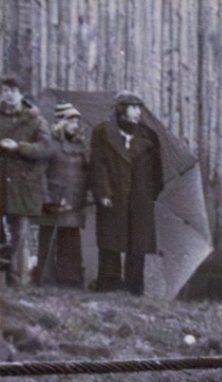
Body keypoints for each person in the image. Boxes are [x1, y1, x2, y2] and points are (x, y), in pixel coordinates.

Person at [88, 91, 163, 294]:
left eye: (139, 107)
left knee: (137, 244)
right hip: (113, 196)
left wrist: (149, 196)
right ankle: (108, 285)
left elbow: (158, 172)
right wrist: (102, 192)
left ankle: (134, 288)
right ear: (121, 109)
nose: (137, 112)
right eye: (133, 107)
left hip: (140, 198)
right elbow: (97, 165)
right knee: (110, 241)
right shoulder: (102, 132)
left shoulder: (149, 136)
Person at [0, 75, 49, 287]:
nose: (8, 95)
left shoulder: (35, 120)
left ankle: (15, 282)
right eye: (4, 90)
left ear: (21, 93)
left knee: (18, 234)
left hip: (22, 185)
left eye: (13, 90)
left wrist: (19, 147)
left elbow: (46, 149)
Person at [34, 101, 89, 288]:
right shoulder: (49, 144)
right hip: (53, 201)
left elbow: (87, 174)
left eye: (77, 121)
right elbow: (39, 173)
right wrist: (47, 199)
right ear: (61, 122)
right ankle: (44, 281)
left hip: (75, 202)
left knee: (71, 243)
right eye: (71, 121)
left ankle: (70, 282)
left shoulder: (81, 147)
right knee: (48, 242)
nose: (76, 125)